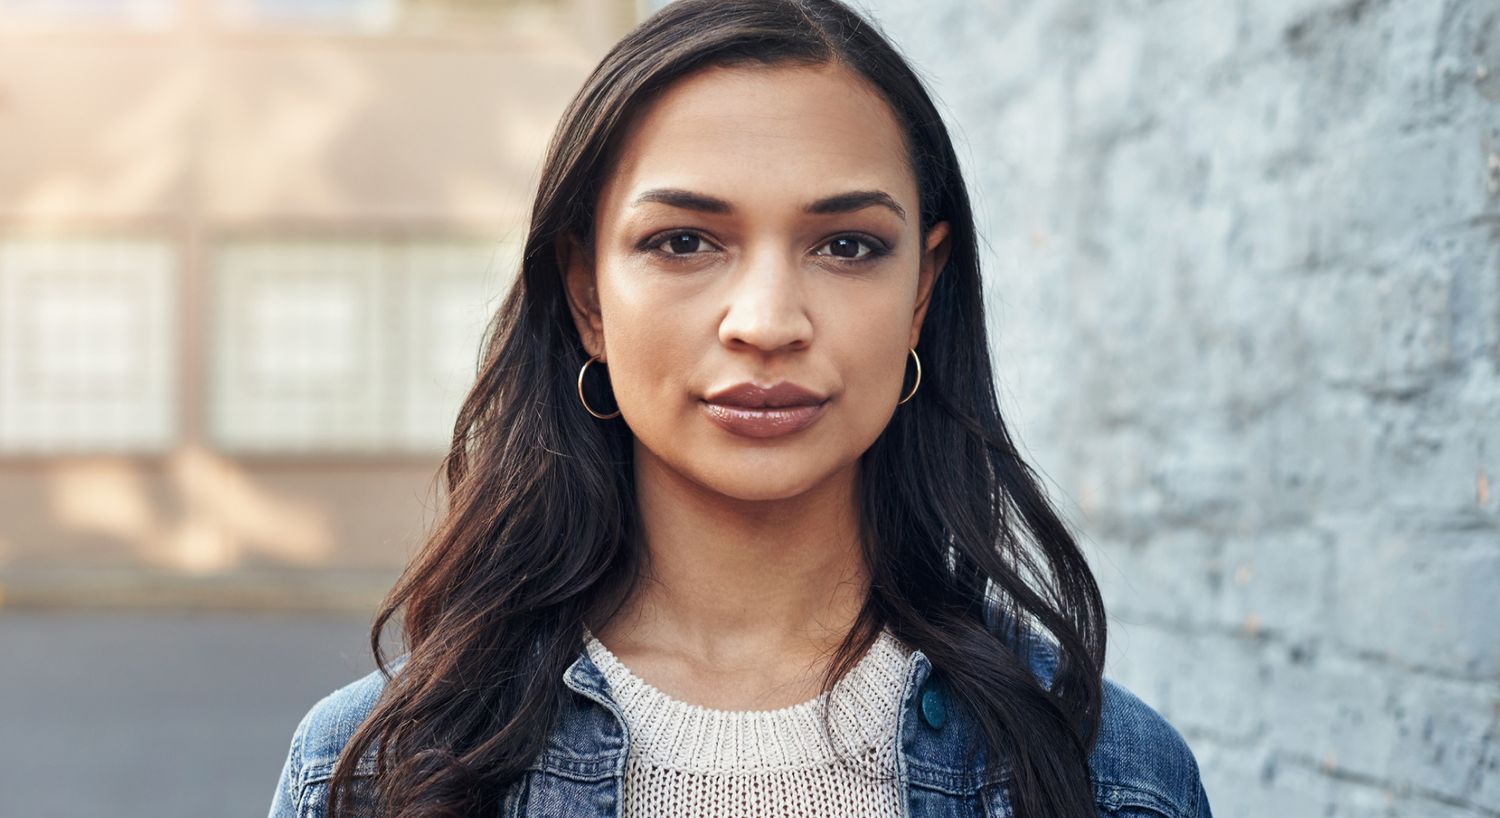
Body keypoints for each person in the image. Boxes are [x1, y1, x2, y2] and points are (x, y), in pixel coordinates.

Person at [267, 1, 1214, 816]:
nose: (767, 322)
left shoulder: (1106, 774)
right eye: (683, 241)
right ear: (588, 296)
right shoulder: (377, 772)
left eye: (846, 246)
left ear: (922, 291)